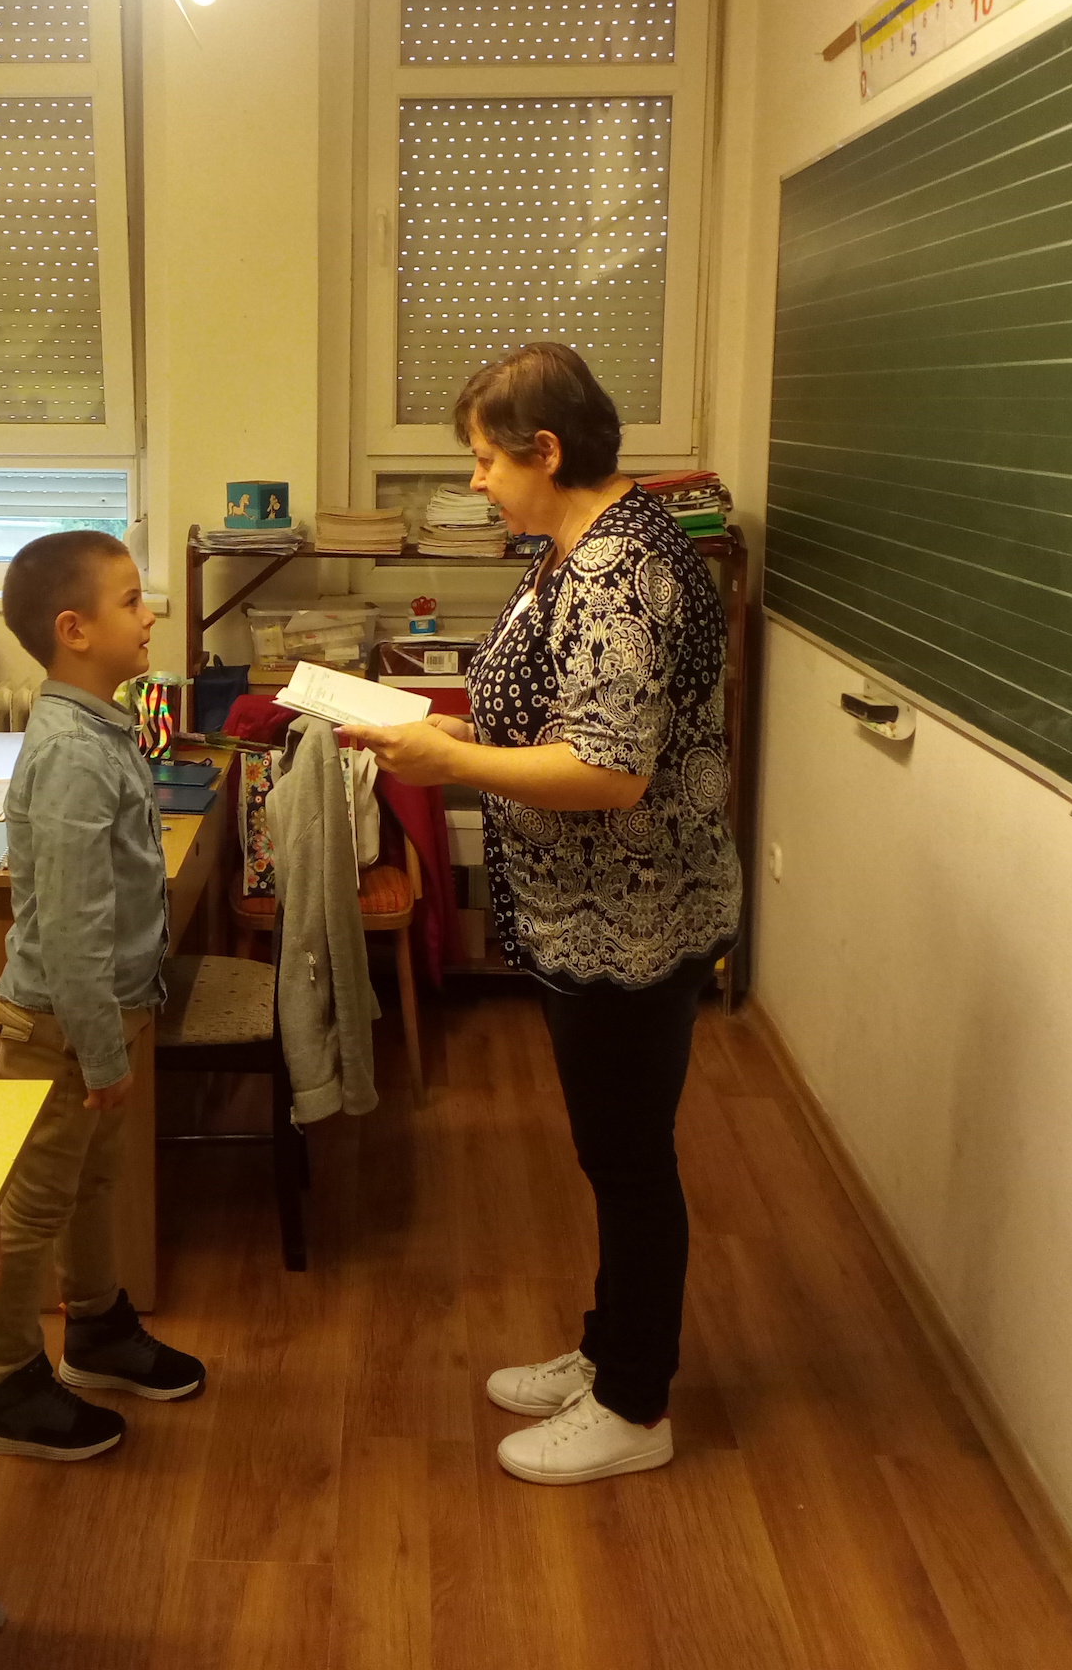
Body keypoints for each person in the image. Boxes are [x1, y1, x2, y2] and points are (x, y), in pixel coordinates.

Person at [343, 343, 741, 1487]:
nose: (475, 481)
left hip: (636, 916)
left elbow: (608, 771)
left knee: (629, 1158)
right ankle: (610, 1349)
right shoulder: (571, 549)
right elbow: (555, 707)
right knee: (612, 1151)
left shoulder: (625, 570)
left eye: (484, 459)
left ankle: (634, 1403)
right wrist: (444, 728)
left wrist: (448, 760)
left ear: (547, 450)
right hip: (588, 913)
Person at [0, 530, 205, 1463]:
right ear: (74, 630)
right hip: (63, 1028)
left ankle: (99, 1325)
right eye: (131, 601)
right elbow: (73, 927)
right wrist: (103, 1050)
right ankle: (3, 1378)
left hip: (100, 1016)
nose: (149, 615)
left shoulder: (100, 727)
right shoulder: (72, 751)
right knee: (35, 1205)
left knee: (92, 1182)